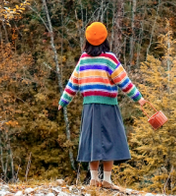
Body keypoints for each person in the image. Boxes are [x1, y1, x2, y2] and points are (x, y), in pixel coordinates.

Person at [58, 22, 146, 189]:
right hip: (108, 107)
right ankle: (106, 179)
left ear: (87, 40)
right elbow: (124, 81)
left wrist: (63, 100)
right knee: (110, 141)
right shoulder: (109, 58)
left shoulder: (83, 59)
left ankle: (93, 179)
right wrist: (138, 98)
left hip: (89, 107)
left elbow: (73, 82)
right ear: (105, 39)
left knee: (93, 141)